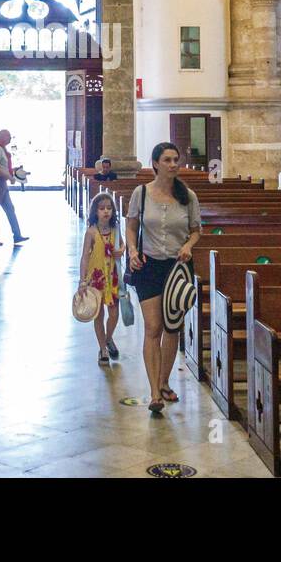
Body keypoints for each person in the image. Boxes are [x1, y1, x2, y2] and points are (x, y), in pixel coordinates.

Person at [126, 142, 201, 415]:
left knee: (172, 327)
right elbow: (131, 225)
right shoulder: (141, 193)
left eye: (175, 160)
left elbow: (196, 230)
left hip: (178, 268)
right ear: (155, 163)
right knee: (153, 327)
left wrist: (188, 246)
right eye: (167, 160)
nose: (173, 164)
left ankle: (165, 381)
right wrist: (132, 249)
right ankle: (155, 392)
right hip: (149, 265)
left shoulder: (188, 196)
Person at [79, 192, 123, 364]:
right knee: (98, 314)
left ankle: (108, 337)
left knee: (113, 313)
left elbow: (122, 245)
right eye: (101, 208)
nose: (106, 211)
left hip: (112, 276)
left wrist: (122, 250)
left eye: (109, 208)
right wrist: (82, 280)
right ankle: (103, 349)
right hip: (96, 277)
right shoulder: (91, 232)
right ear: (95, 211)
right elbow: (84, 257)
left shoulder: (116, 229)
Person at [0, 128, 28, 248]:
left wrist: (13, 171)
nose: (10, 138)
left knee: (10, 208)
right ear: (2, 137)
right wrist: (9, 177)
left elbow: (2, 166)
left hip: (1, 182)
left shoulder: (2, 149)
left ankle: (17, 235)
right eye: (8, 136)